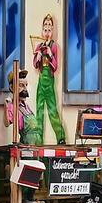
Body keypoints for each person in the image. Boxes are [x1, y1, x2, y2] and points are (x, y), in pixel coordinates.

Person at [30, 16, 67, 145]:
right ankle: (38, 139)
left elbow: (55, 67)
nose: (47, 29)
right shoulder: (39, 46)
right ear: (42, 29)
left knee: (52, 110)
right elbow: (35, 64)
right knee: (39, 110)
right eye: (45, 26)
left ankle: (60, 137)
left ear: (52, 29)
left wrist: (51, 55)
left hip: (49, 81)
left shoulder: (54, 46)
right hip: (41, 81)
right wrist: (38, 56)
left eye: (49, 26)